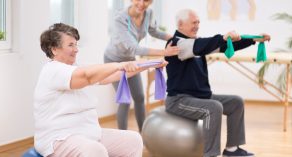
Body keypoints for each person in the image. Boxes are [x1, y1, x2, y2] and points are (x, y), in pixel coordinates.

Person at [35, 23, 168, 157]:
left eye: (76, 44)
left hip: (87, 133)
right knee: (96, 151)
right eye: (70, 45)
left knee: (133, 140)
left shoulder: (76, 67)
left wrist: (151, 64)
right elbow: (87, 76)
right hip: (59, 138)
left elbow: (114, 74)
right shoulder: (52, 70)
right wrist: (118, 65)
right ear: (54, 50)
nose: (76, 49)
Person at [164, 9, 270, 157]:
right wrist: (222, 36)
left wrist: (253, 40)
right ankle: (211, 154)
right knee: (213, 107)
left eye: (199, 22)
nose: (197, 25)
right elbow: (203, 45)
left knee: (236, 102)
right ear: (180, 24)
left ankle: (232, 149)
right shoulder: (176, 44)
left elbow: (224, 46)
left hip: (200, 97)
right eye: (194, 22)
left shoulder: (195, 43)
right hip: (179, 100)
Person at [104, 0, 180, 132]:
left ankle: (143, 134)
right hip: (113, 61)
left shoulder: (148, 13)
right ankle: (123, 137)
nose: (141, 3)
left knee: (139, 97)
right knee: (124, 100)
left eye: (146, 0)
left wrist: (176, 38)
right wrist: (164, 52)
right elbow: (135, 48)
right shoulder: (120, 19)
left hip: (130, 60)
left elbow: (154, 31)